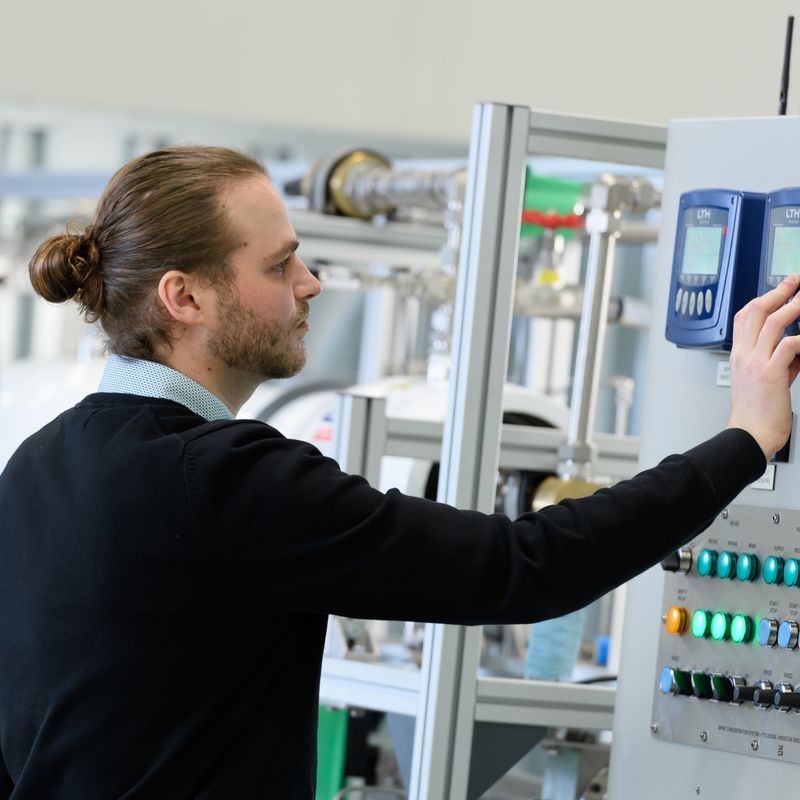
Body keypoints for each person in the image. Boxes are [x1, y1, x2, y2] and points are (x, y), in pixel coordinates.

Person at [0, 145, 798, 799]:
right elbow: (523, 566)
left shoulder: (35, 467)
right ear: (184, 297)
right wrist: (746, 437)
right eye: (280, 267)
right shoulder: (224, 480)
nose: (311, 283)